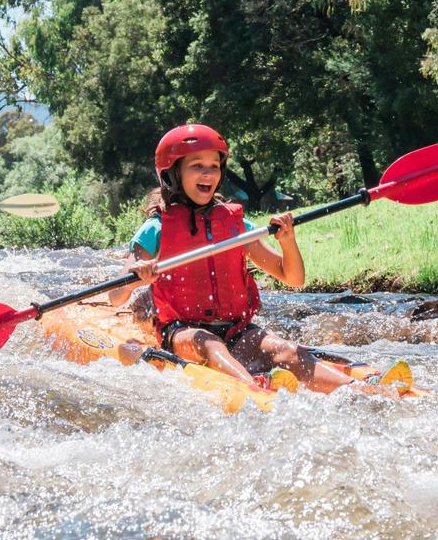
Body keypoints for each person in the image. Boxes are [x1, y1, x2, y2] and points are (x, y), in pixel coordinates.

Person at [108, 124, 407, 394]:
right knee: (209, 343)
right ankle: (256, 391)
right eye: (197, 166)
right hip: (183, 332)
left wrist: (288, 243)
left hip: (237, 330)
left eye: (214, 166)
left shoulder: (237, 227)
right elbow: (114, 297)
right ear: (172, 174)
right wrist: (138, 272)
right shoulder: (156, 229)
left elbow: (292, 278)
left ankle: (363, 391)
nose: (208, 174)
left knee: (288, 350)